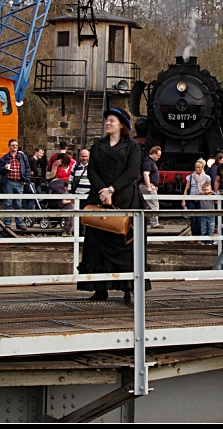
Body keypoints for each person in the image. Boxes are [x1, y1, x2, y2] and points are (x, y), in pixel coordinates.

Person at [77, 108, 147, 305]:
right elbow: (92, 170)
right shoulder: (98, 146)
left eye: (112, 121)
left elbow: (132, 171)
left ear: (122, 124)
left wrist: (112, 190)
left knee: (127, 246)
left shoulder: (132, 147)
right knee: (97, 243)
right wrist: (102, 191)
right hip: (100, 198)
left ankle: (129, 289)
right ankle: (99, 288)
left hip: (125, 198)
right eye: (107, 120)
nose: (108, 123)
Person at [0, 138, 30, 230]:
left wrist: (26, 179)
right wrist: (4, 168)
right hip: (9, 182)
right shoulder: (4, 158)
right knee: (8, 203)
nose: (15, 147)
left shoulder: (23, 157)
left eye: (16, 145)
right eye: (13, 145)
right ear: (9, 147)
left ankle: (19, 223)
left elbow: (27, 168)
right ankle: (7, 222)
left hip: (19, 182)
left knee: (18, 204)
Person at [183, 159, 212, 236]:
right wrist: (183, 200)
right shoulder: (190, 177)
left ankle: (199, 236)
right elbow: (187, 189)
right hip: (191, 199)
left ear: (202, 168)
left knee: (199, 218)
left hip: (201, 199)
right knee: (193, 218)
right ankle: (194, 235)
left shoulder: (207, 178)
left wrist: (205, 193)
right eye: (196, 167)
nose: (197, 169)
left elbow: (210, 189)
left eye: (199, 167)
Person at [67, 149, 91, 235]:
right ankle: (79, 234)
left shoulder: (93, 166)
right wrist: (70, 194)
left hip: (89, 195)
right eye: (83, 156)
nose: (84, 158)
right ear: (80, 156)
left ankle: (86, 235)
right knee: (79, 216)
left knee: (88, 216)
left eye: (86, 156)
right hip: (78, 195)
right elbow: (70, 179)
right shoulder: (75, 166)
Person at [140, 146, 162, 228]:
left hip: (150, 185)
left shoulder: (150, 161)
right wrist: (149, 186)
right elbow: (146, 174)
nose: (159, 158)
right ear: (153, 153)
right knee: (154, 205)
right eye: (158, 155)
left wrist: (155, 185)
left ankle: (144, 222)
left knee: (146, 204)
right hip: (147, 186)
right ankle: (154, 223)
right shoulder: (147, 162)